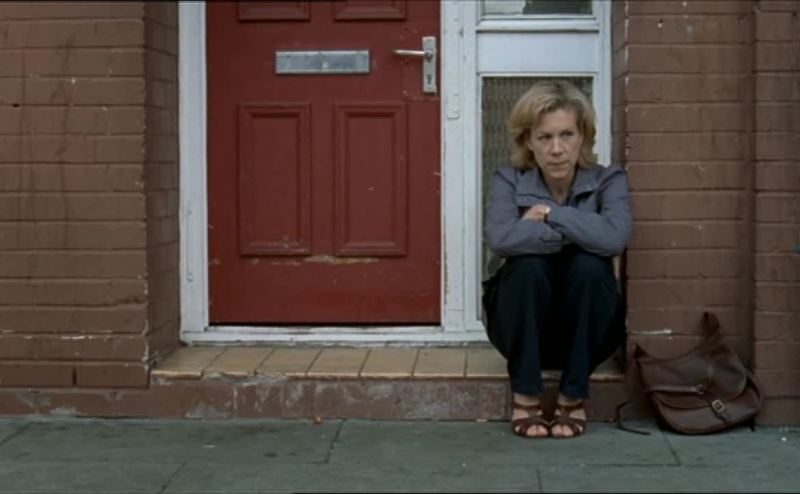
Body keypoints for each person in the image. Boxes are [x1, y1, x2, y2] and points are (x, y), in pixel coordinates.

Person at [483, 79, 632, 439]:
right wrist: (583, 233)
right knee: (527, 267)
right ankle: (525, 395)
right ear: (527, 142)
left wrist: (549, 214)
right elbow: (501, 239)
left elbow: (615, 237)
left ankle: (573, 395)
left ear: (583, 136)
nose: (557, 149)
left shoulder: (609, 180)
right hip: (519, 327)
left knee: (589, 268)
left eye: (567, 135)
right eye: (544, 137)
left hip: (589, 332)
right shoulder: (509, 180)